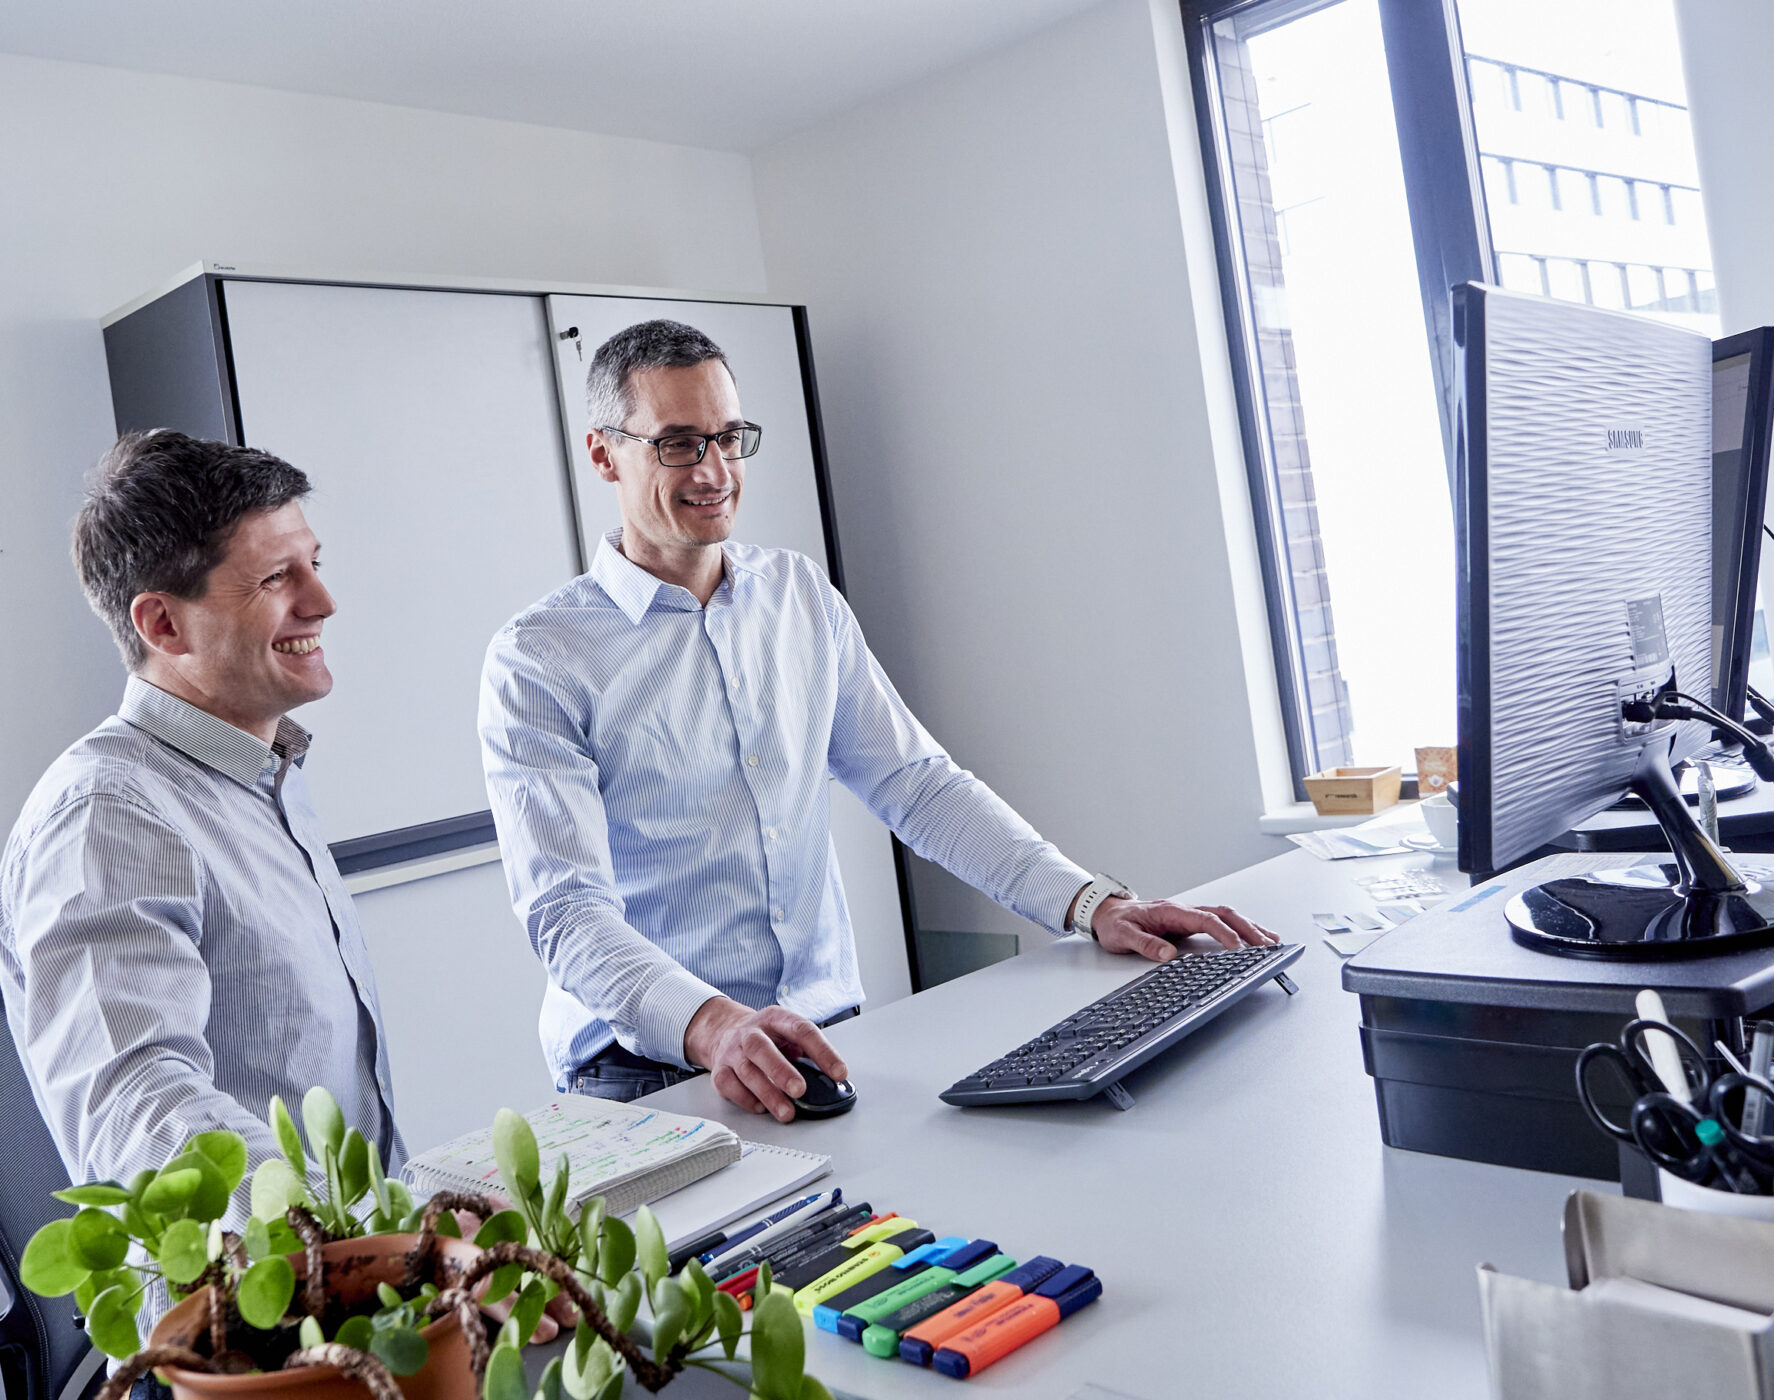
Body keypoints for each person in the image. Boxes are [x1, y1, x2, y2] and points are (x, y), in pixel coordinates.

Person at [479, 321, 1279, 1121]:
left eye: (729, 437)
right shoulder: (541, 658)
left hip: (822, 1033)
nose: (716, 471)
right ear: (602, 454)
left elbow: (915, 784)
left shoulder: (798, 596)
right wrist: (715, 1025)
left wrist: (1091, 902)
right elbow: (567, 911)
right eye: (680, 443)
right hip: (649, 1067)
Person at [0, 431, 567, 1348]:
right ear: (163, 625)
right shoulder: (110, 815)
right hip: (253, 1334)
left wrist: (410, 1235)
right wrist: (385, 1247)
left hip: (363, 1289)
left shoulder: (260, 771)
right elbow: (142, 1103)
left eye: (314, 564)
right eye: (274, 580)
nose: (323, 601)